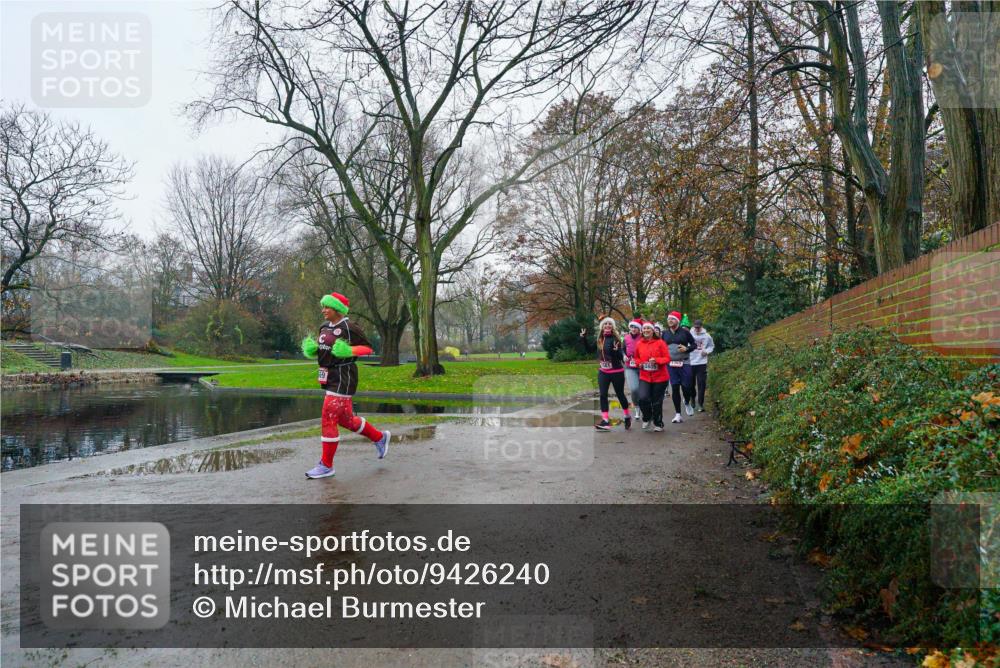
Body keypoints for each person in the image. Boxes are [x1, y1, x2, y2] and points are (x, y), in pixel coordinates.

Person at [301, 292, 390, 479]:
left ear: (338, 309)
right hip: (328, 375)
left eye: (327, 307)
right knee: (346, 420)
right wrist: (313, 349)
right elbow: (325, 348)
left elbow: (368, 348)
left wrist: (349, 350)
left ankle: (326, 465)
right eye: (323, 306)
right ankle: (380, 437)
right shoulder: (324, 327)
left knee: (328, 416)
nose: (323, 310)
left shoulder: (350, 328)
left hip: (344, 376)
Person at [581, 318, 632, 431]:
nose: (607, 325)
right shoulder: (599, 339)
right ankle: (605, 421)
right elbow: (589, 350)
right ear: (602, 326)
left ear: (612, 326)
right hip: (603, 371)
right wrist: (584, 338)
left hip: (616, 371)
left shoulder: (616, 339)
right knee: (603, 394)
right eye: (605, 324)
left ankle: (627, 416)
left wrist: (616, 351)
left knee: (620, 394)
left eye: (610, 324)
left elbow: (620, 356)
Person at [633, 321, 670, 431]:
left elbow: (667, 358)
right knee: (642, 398)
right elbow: (636, 358)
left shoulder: (660, 343)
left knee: (657, 401)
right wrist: (639, 363)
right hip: (645, 376)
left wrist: (657, 360)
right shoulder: (639, 344)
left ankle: (658, 424)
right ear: (642, 331)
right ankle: (647, 417)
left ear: (653, 330)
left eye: (648, 328)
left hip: (660, 377)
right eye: (644, 329)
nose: (646, 330)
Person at [661, 310, 698, 422]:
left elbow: (694, 344)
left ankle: (686, 401)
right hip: (671, 364)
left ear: (677, 321)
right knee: (675, 387)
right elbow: (661, 346)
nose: (670, 321)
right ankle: (678, 414)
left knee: (686, 386)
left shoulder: (685, 332)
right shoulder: (665, 333)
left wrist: (687, 348)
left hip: (684, 362)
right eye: (668, 319)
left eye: (672, 319)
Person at [689, 319, 715, 412]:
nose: (697, 329)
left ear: (701, 326)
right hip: (691, 362)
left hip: (702, 362)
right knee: (691, 384)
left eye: (698, 327)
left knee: (701, 383)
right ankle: (692, 398)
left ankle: (700, 403)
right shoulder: (689, 334)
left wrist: (707, 351)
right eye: (695, 327)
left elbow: (712, 346)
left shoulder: (707, 336)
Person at [623, 318, 643, 399]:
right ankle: (636, 406)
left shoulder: (643, 337)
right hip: (629, 366)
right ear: (630, 328)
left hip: (642, 366)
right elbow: (622, 349)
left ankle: (644, 404)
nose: (633, 329)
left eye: (636, 327)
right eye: (632, 327)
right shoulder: (626, 338)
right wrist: (624, 355)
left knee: (643, 388)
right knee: (634, 388)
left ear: (639, 329)